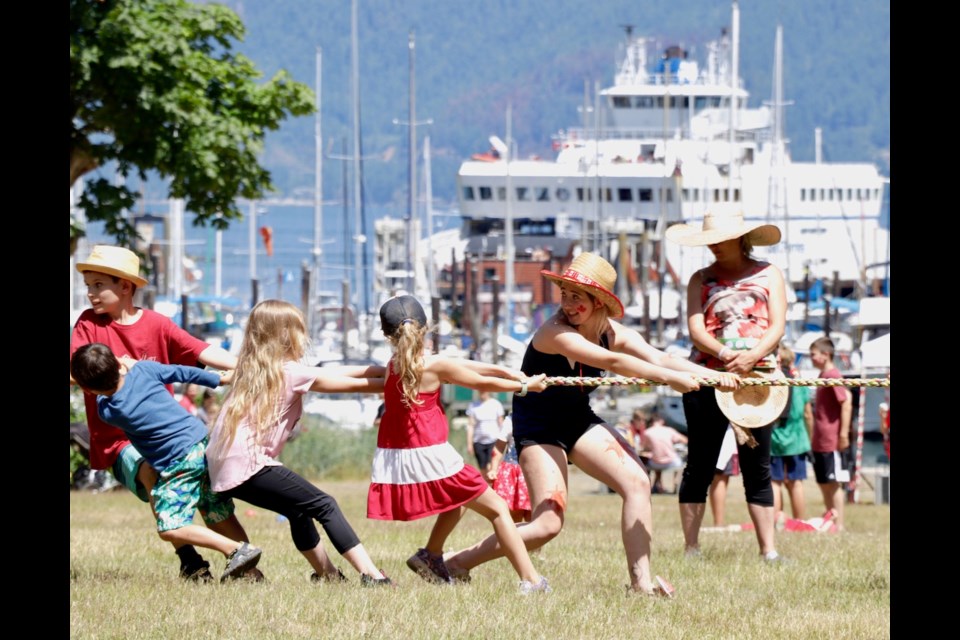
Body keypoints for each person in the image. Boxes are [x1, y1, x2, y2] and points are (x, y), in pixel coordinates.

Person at [441, 252, 738, 595]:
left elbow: (662, 357)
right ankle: (455, 562)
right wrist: (669, 379)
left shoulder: (612, 332)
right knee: (547, 526)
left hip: (578, 421)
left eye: (576, 297)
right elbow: (613, 362)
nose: (567, 304)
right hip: (538, 428)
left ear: (599, 303)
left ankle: (640, 585)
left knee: (638, 482)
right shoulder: (555, 333)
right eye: (564, 295)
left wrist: (715, 377)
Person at [70, 244, 243, 581]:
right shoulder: (88, 325)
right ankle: (190, 558)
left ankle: (248, 566)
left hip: (172, 436)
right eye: (87, 285)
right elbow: (75, 368)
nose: (90, 293)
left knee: (212, 501)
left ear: (125, 286)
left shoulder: (157, 324)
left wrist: (246, 368)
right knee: (151, 471)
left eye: (98, 285)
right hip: (118, 439)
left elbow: (202, 351)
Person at [367, 294, 551, 594]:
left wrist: (509, 372)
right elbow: (481, 383)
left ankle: (431, 555)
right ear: (425, 329)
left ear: (387, 335)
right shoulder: (433, 365)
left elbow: (469, 366)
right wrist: (525, 386)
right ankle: (531, 581)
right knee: (498, 511)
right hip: (433, 456)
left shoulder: (393, 366)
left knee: (458, 503)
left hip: (407, 456)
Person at [207, 300, 394, 586]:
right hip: (248, 464)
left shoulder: (254, 369)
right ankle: (372, 575)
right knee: (325, 504)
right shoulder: (290, 372)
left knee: (298, 510)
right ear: (287, 335)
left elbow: (337, 373)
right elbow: (351, 385)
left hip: (223, 466)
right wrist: (399, 379)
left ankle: (328, 576)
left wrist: (385, 370)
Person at [70, 343, 262, 582]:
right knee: (216, 512)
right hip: (202, 443)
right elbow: (181, 372)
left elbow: (101, 397)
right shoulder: (145, 370)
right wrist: (217, 380)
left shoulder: (110, 410)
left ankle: (236, 550)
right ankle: (252, 574)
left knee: (170, 527)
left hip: (179, 461)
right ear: (118, 363)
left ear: (88, 389)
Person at [665, 211, 787, 563]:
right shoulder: (699, 279)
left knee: (758, 465)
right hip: (706, 378)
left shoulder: (769, 273)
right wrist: (724, 353)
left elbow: (777, 325)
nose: (715, 247)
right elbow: (696, 328)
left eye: (721, 239)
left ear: (741, 238)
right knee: (699, 464)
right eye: (710, 241)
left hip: (759, 378)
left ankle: (769, 550)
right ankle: (691, 548)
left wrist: (752, 357)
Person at [810, 336, 852, 531]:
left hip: (831, 438)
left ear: (825, 354)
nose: (811, 358)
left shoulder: (833, 375)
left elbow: (846, 402)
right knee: (823, 482)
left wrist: (843, 434)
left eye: (813, 355)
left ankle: (839, 524)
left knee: (834, 483)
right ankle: (830, 519)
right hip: (820, 438)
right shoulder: (823, 375)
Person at [771, 345, 813, 520]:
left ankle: (773, 520)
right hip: (797, 438)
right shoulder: (800, 383)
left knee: (774, 482)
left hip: (774, 438)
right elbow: (808, 414)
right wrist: (809, 437)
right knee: (796, 483)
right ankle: (799, 522)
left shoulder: (772, 382)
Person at [485, 412, 531, 524]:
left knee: (533, 512)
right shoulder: (511, 420)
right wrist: (493, 469)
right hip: (512, 472)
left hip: (534, 470)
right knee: (514, 511)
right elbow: (499, 447)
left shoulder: (544, 417)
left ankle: (533, 539)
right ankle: (516, 538)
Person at [640, 414, 687, 494]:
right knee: (680, 463)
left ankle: (657, 484)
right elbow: (685, 440)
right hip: (671, 462)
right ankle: (675, 482)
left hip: (655, 463)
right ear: (662, 421)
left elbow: (644, 447)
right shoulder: (669, 430)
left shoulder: (647, 432)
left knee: (652, 460)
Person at [465, 391, 505, 482]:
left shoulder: (496, 404)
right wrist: (469, 444)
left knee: (492, 465)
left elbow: (501, 423)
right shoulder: (473, 405)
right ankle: (487, 486)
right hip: (478, 441)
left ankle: (494, 485)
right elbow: (470, 425)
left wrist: (503, 439)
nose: (482, 392)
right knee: (482, 467)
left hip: (493, 440)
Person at [707, 425, 740, 527]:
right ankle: (719, 523)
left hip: (716, 437)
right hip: (725, 440)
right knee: (720, 478)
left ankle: (718, 522)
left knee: (718, 479)